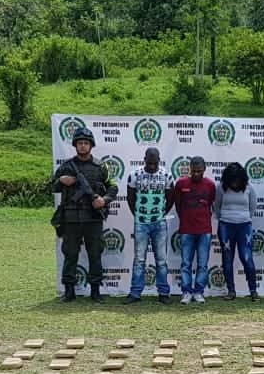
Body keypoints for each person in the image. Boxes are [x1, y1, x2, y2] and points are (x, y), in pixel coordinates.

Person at [50, 127, 117, 303]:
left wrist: (104, 200)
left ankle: (95, 290)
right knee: (70, 253)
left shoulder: (100, 166)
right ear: (75, 145)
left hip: (93, 217)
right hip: (71, 218)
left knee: (95, 254)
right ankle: (69, 290)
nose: (83, 146)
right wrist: (61, 181)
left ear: (91, 145)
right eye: (80, 143)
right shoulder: (66, 166)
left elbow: (113, 187)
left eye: (86, 143)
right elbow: (52, 186)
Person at [123, 147, 174, 305]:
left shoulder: (166, 175)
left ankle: (163, 292)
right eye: (149, 163)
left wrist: (160, 214)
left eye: (155, 163)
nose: (152, 166)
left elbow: (170, 198)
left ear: (159, 161)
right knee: (139, 260)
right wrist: (138, 215)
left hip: (159, 223)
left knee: (161, 260)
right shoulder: (134, 175)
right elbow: (130, 198)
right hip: (141, 223)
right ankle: (135, 293)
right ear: (144, 160)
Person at [174, 155, 217, 304]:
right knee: (186, 263)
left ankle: (199, 292)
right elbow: (178, 205)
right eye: (194, 171)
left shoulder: (210, 185)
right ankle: (186, 292)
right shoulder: (181, 184)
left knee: (202, 264)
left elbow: (210, 203)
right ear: (190, 169)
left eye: (199, 171)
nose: (196, 174)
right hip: (186, 229)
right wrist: (186, 218)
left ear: (204, 169)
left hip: (204, 230)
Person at [214, 162, 259, 301]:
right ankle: (231, 291)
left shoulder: (249, 188)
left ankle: (253, 290)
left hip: (244, 226)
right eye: (232, 179)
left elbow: (252, 208)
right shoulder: (221, 188)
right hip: (225, 225)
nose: (234, 183)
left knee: (247, 257)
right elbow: (217, 207)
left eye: (237, 179)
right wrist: (225, 218)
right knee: (227, 259)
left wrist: (243, 218)